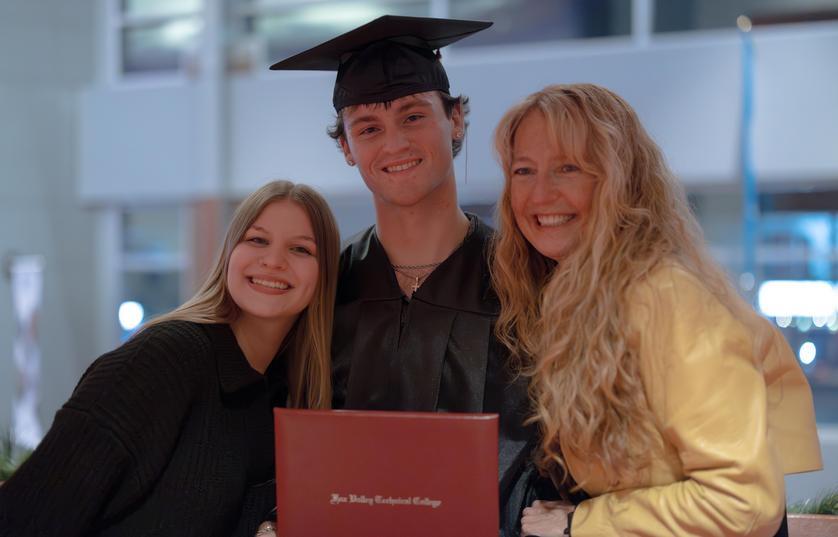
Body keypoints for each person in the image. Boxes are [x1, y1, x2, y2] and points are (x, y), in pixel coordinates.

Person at [490, 83, 823, 536]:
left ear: (619, 179)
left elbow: (743, 502)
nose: (540, 194)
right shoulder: (573, 297)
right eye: (524, 170)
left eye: (568, 168)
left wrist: (580, 523)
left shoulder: (666, 297)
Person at [270, 16, 543, 535]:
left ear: (455, 119)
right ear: (347, 148)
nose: (394, 143)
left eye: (413, 116)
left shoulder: (528, 282)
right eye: (368, 128)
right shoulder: (322, 290)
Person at [0, 180, 340, 537]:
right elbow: (27, 518)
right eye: (257, 240)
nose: (273, 261)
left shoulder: (288, 396)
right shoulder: (161, 360)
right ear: (229, 253)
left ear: (325, 273)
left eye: (300, 249)